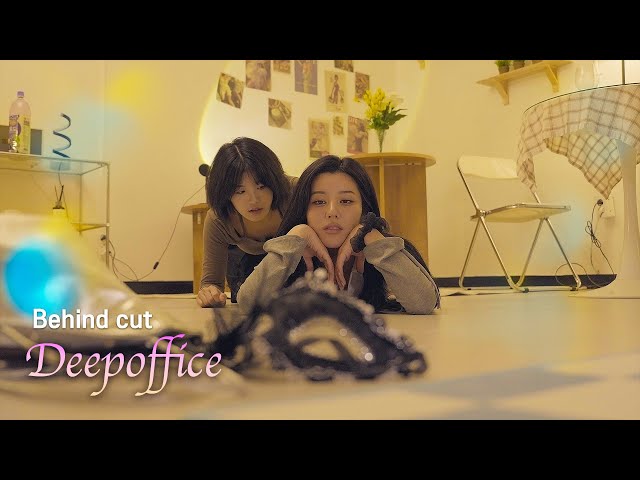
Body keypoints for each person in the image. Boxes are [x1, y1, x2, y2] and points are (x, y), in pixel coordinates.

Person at [237, 155, 440, 315]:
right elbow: (247, 303)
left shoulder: (384, 247)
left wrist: (370, 236)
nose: (332, 212)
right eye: (319, 202)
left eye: (346, 201)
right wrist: (296, 237)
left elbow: (424, 304)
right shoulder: (291, 252)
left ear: (364, 208)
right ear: (303, 209)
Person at [197, 137, 295, 308]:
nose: (254, 200)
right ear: (226, 193)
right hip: (246, 261)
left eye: (261, 187)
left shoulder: (295, 192)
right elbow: (211, 282)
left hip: (295, 257)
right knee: (247, 300)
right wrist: (210, 293)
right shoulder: (219, 218)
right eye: (240, 191)